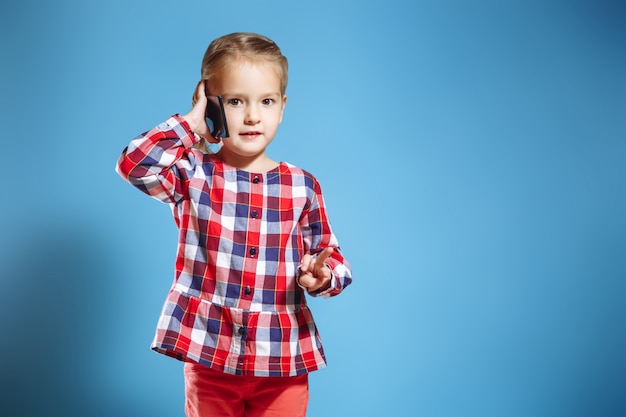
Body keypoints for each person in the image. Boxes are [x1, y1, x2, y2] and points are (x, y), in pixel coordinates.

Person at [115, 32, 352, 417]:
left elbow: (334, 258)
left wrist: (321, 277)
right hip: (209, 354)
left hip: (282, 359)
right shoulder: (192, 173)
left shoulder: (302, 186)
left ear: (283, 107)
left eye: (267, 101)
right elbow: (133, 164)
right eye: (236, 101)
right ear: (210, 102)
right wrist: (192, 124)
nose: (253, 115)